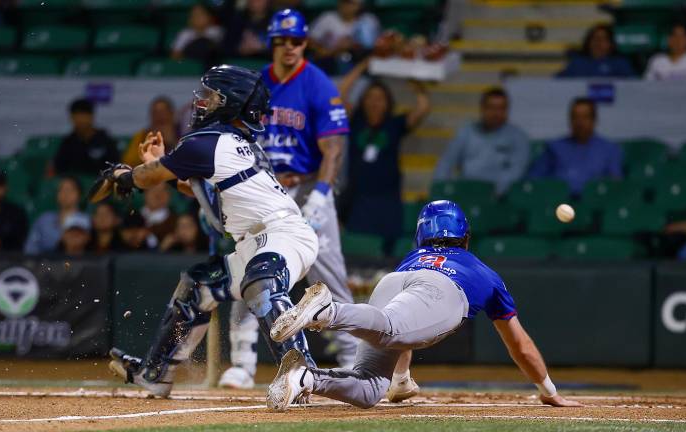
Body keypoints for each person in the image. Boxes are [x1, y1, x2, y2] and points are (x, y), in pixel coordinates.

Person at [107, 65, 320, 398]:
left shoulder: (207, 141)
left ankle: (301, 376)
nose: (203, 102)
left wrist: (127, 175)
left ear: (231, 102)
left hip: (283, 235)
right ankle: (155, 374)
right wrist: (161, 164)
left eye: (212, 96)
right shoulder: (228, 142)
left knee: (261, 282)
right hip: (261, 240)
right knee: (198, 285)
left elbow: (146, 179)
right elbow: (203, 193)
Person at [266, 200, 583, 410]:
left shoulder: (413, 257)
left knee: (371, 388)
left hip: (394, 280)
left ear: (421, 234)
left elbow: (408, 329)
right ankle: (325, 311)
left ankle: (302, 378)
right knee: (390, 329)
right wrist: (548, 389)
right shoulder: (485, 273)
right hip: (441, 292)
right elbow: (520, 345)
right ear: (466, 237)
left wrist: (400, 381)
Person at [216, 9, 359, 390]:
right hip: (264, 189)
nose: (290, 47)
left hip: (309, 185)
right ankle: (243, 363)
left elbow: (333, 149)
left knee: (327, 274)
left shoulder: (318, 84)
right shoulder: (256, 83)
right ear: (272, 44)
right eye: (282, 40)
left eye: (296, 40)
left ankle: (351, 356)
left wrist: (323, 195)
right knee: (253, 268)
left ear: (305, 43)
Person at [338, 57, 430, 251]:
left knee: (387, 256)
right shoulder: (356, 122)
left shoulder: (394, 124)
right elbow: (340, 93)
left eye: (380, 98)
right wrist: (364, 64)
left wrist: (409, 72)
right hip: (358, 200)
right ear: (363, 102)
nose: (374, 103)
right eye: (370, 97)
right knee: (359, 252)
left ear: (388, 103)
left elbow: (423, 107)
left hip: (389, 201)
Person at [433, 88, 530, 194]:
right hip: (466, 190)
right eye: (491, 108)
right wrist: (439, 189)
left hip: (500, 196)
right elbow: (446, 162)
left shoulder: (518, 137)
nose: (496, 113)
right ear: (482, 108)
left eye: (501, 108)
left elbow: (516, 171)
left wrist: (492, 192)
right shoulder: (466, 132)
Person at [529, 97, 622, 195]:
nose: (580, 122)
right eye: (575, 117)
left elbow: (615, 185)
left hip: (595, 204)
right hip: (558, 204)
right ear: (570, 120)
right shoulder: (554, 148)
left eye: (585, 117)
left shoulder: (609, 149)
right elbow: (534, 181)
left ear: (594, 120)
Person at [308, 0, 379, 73]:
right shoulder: (328, 17)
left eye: (349, 3)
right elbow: (309, 39)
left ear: (359, 6)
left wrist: (352, 44)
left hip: (357, 62)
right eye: (343, 1)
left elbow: (372, 47)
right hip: (329, 61)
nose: (344, 5)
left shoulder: (368, 20)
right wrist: (325, 50)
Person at [24, 176, 88, 255]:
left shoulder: (87, 221)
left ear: (79, 194)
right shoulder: (44, 220)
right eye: (61, 189)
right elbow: (30, 249)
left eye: (69, 190)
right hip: (45, 265)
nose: (65, 193)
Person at [54, 98, 119, 176]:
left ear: (91, 116)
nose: (81, 120)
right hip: (74, 185)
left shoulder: (105, 140)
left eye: (84, 116)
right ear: (71, 118)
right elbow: (59, 169)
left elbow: (115, 167)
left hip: (103, 183)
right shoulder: (68, 142)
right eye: (77, 116)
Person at [557, 24, 635, 78]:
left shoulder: (620, 64)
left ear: (611, 43)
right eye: (594, 38)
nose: (598, 42)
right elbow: (557, 83)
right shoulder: (577, 63)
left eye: (603, 39)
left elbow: (633, 86)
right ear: (588, 42)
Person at [122, 97, 179, 167]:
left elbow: (188, 161)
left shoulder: (182, 133)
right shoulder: (142, 135)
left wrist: (172, 143)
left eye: (163, 112)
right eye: (155, 113)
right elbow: (128, 164)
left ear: (172, 114)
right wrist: (145, 151)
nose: (159, 116)